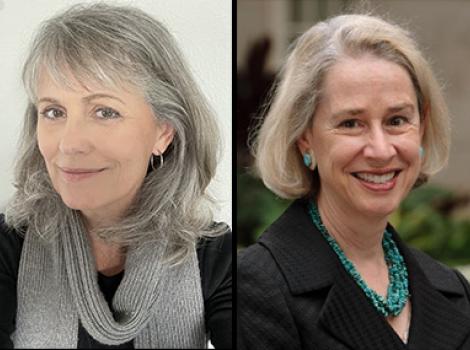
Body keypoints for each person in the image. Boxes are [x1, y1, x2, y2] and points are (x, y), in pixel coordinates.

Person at [0, 3, 232, 349]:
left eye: (105, 112)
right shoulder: (9, 246)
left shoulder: (217, 257)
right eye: (53, 111)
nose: (69, 143)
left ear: (163, 133)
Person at [238, 13, 470, 350]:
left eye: (396, 120)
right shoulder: (257, 287)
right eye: (351, 123)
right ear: (305, 138)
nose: (380, 149)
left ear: (421, 126)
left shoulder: (450, 288)